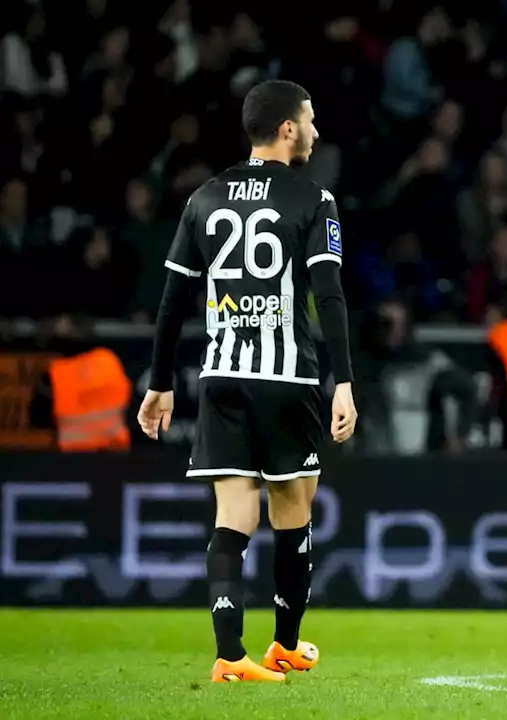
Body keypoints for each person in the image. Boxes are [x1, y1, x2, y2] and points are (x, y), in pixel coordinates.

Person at [137, 80, 357, 682]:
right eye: (309, 120)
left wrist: (159, 382)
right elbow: (329, 296)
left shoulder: (203, 197)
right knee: (294, 507)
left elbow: (172, 300)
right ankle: (283, 642)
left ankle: (230, 654)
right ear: (287, 128)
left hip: (221, 375)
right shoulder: (314, 198)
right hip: (285, 376)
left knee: (232, 514)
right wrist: (342, 379)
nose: (314, 130)